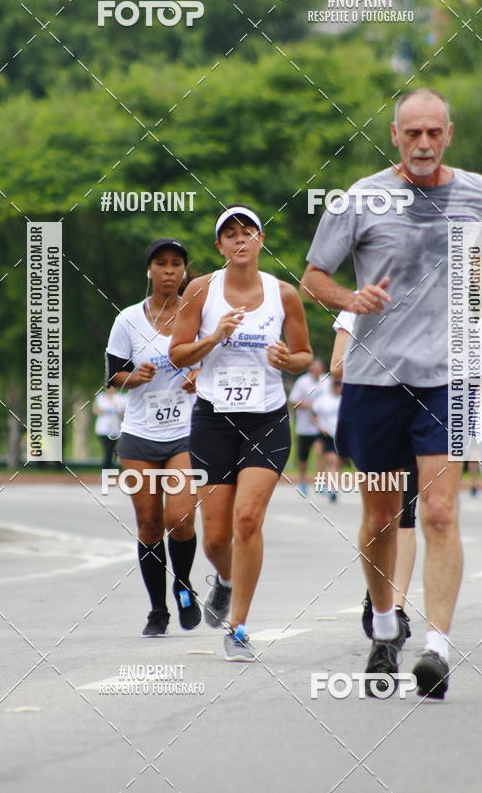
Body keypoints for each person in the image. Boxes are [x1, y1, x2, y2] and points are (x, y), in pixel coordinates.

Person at [301, 88, 482, 699]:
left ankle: (438, 648)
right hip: (373, 379)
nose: (423, 144)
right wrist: (350, 300)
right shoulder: (360, 198)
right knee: (380, 515)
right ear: (394, 135)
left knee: (441, 512)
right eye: (412, 133)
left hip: (448, 378)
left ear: (449, 133)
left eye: (433, 134)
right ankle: (386, 623)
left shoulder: (479, 194)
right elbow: (315, 275)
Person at [170, 204, 312, 661]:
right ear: (219, 246)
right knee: (214, 538)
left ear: (261, 239)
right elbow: (177, 354)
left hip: (266, 418)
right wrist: (214, 339)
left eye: (247, 232)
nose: (240, 240)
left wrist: (288, 361)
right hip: (214, 419)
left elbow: (306, 355)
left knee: (247, 519)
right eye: (230, 234)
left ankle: (239, 627)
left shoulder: (283, 293)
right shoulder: (200, 290)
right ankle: (225, 583)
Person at [105, 238, 201, 637]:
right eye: (160, 263)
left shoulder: (198, 316)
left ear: (183, 271)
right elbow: (113, 375)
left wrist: (201, 377)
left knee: (179, 519)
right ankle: (157, 611)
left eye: (175, 263)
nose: (168, 270)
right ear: (149, 270)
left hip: (185, 432)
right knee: (148, 524)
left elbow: (216, 358)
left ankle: (183, 585)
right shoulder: (128, 319)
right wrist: (134, 376)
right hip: (141, 433)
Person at [331, 303, 415, 641]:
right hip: (372, 413)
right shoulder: (357, 304)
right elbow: (337, 366)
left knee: (406, 515)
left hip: (416, 412)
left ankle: (396, 606)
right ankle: (377, 593)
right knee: (381, 519)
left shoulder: (425, 298)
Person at [289, 359, 328, 496]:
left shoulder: (326, 381)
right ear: (310, 369)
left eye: (319, 368)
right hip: (304, 427)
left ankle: (321, 483)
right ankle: (302, 481)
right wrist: (310, 406)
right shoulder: (302, 381)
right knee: (303, 458)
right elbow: (293, 401)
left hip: (321, 427)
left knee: (320, 453)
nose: (317, 370)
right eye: (315, 368)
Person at [311, 377, 342, 502]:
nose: (338, 388)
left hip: (337, 435)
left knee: (333, 461)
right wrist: (320, 427)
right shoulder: (323, 400)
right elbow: (313, 416)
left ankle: (332, 489)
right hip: (324, 434)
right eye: (336, 385)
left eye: (340, 385)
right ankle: (321, 483)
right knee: (320, 457)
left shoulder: (345, 400)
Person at [92, 387, 126, 468]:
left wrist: (116, 409)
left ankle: (112, 469)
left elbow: (123, 412)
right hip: (102, 429)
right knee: (108, 449)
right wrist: (105, 411)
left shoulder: (121, 397)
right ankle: (106, 470)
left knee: (114, 450)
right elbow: (95, 410)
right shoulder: (100, 397)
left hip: (116, 430)